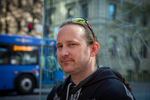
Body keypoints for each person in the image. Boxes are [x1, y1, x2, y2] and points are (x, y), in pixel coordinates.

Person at [47, 18, 135, 100]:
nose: (63, 53)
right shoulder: (57, 92)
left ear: (93, 49)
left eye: (72, 44)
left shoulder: (113, 92)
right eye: (60, 46)